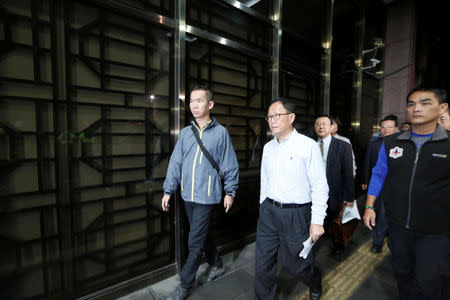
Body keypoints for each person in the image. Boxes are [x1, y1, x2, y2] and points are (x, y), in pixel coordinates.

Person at [363, 87, 449, 300]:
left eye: (425, 103)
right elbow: (379, 174)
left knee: (430, 282)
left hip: (435, 232)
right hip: (398, 226)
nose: (416, 108)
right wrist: (369, 206)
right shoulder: (392, 142)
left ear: (442, 108)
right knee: (402, 275)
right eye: (411, 104)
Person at [162, 85, 239, 300]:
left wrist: (229, 191)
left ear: (210, 104)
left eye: (199, 101)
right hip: (187, 195)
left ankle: (185, 285)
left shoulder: (221, 133)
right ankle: (217, 263)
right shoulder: (187, 133)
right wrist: (168, 189)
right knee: (202, 233)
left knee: (194, 241)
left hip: (207, 196)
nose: (194, 105)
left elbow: (229, 165)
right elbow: (175, 162)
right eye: (191, 101)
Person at [255, 99, 328, 300]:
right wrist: (263, 204)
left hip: (296, 214)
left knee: (296, 263)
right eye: (269, 116)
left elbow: (320, 186)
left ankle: (314, 279)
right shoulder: (269, 147)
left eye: (277, 115)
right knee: (262, 263)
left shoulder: (308, 146)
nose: (272, 120)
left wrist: (317, 221)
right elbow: (265, 179)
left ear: (291, 117)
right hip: (268, 212)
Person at [314, 115, 354, 255]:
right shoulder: (311, 145)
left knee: (335, 220)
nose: (320, 126)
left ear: (331, 127)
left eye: (324, 124)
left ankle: (338, 243)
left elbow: (348, 172)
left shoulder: (342, 145)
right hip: (315, 191)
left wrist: (349, 197)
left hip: (335, 191)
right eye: (317, 124)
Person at [361, 114, 398, 253]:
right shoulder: (374, 144)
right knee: (380, 214)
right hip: (379, 186)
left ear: (396, 128)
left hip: (397, 187)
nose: (386, 129)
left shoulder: (403, 144)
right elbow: (368, 164)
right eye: (383, 127)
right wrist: (365, 180)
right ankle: (377, 241)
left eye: (389, 127)